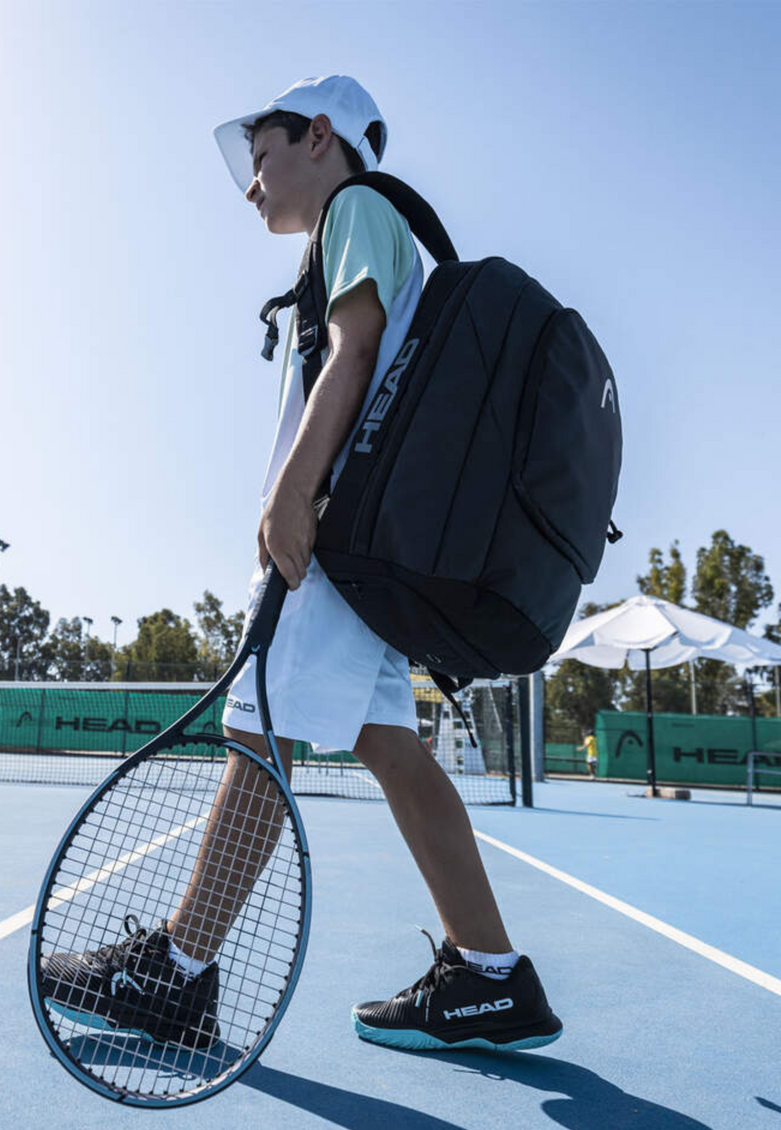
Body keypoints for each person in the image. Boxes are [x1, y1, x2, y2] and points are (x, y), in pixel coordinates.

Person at [41, 76, 561, 1054]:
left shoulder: (356, 208)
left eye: (261, 154)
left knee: (260, 734)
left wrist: (291, 492)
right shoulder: (374, 225)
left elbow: (353, 349)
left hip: (332, 534)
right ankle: (493, 978)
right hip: (370, 545)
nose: (250, 185)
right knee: (392, 749)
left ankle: (177, 973)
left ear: (318, 135)